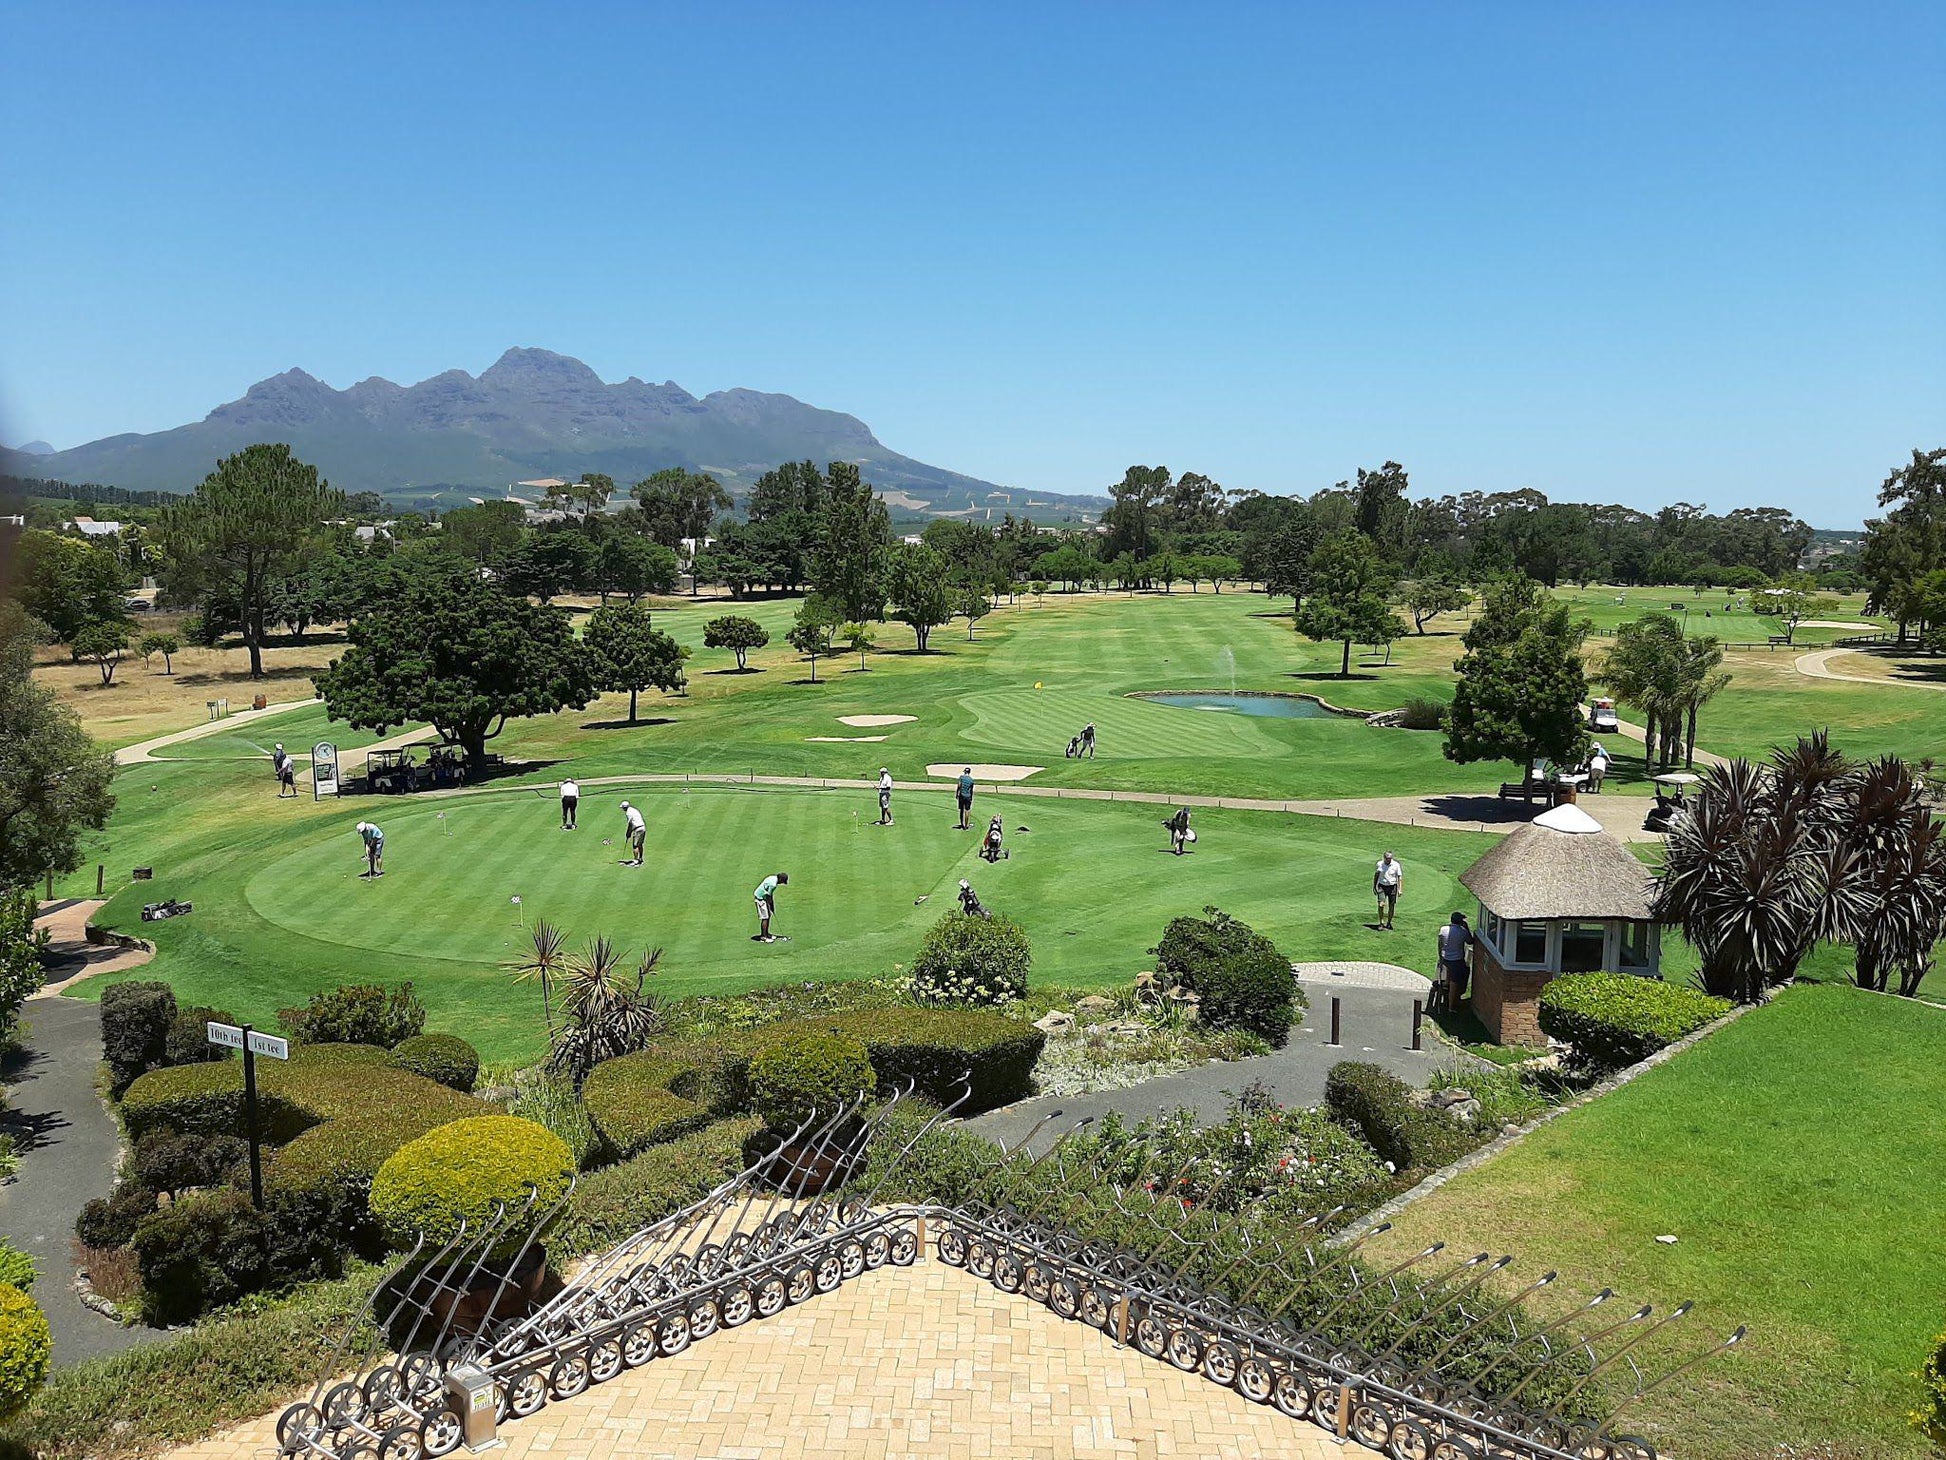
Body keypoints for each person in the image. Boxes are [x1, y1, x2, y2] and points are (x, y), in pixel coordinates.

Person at [1435, 911, 1474, 1009]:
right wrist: (1466, 927)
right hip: (1456, 960)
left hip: (1444, 958)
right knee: (1455, 982)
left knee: (1450, 967)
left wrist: (1440, 956)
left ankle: (1446, 983)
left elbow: (1440, 944)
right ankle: (1451, 1007)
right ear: (1461, 922)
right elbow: (1470, 941)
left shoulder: (1443, 929)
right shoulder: (1463, 932)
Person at [753, 871, 788, 941]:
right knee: (765, 917)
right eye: (782, 882)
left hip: (762, 897)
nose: (781, 883)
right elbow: (769, 896)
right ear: (780, 879)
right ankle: (764, 937)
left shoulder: (773, 877)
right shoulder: (773, 885)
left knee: (768, 916)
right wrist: (772, 906)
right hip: (760, 899)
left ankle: (766, 934)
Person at [1373, 850, 1404, 929]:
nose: (1389, 860)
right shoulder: (1380, 864)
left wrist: (1400, 889)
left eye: (1390, 858)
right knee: (1381, 904)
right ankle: (1381, 923)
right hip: (1382, 886)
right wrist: (1374, 886)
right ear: (1384, 858)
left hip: (1392, 886)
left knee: (1391, 905)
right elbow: (1376, 875)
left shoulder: (1396, 865)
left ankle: (1389, 923)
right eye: (1387, 858)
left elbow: (1399, 877)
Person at [620, 800, 646, 865]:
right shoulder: (634, 810)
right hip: (643, 827)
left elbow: (630, 824)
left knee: (635, 845)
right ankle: (640, 859)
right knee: (640, 844)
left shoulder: (628, 813)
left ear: (624, 808)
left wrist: (628, 833)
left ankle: (636, 861)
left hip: (637, 829)